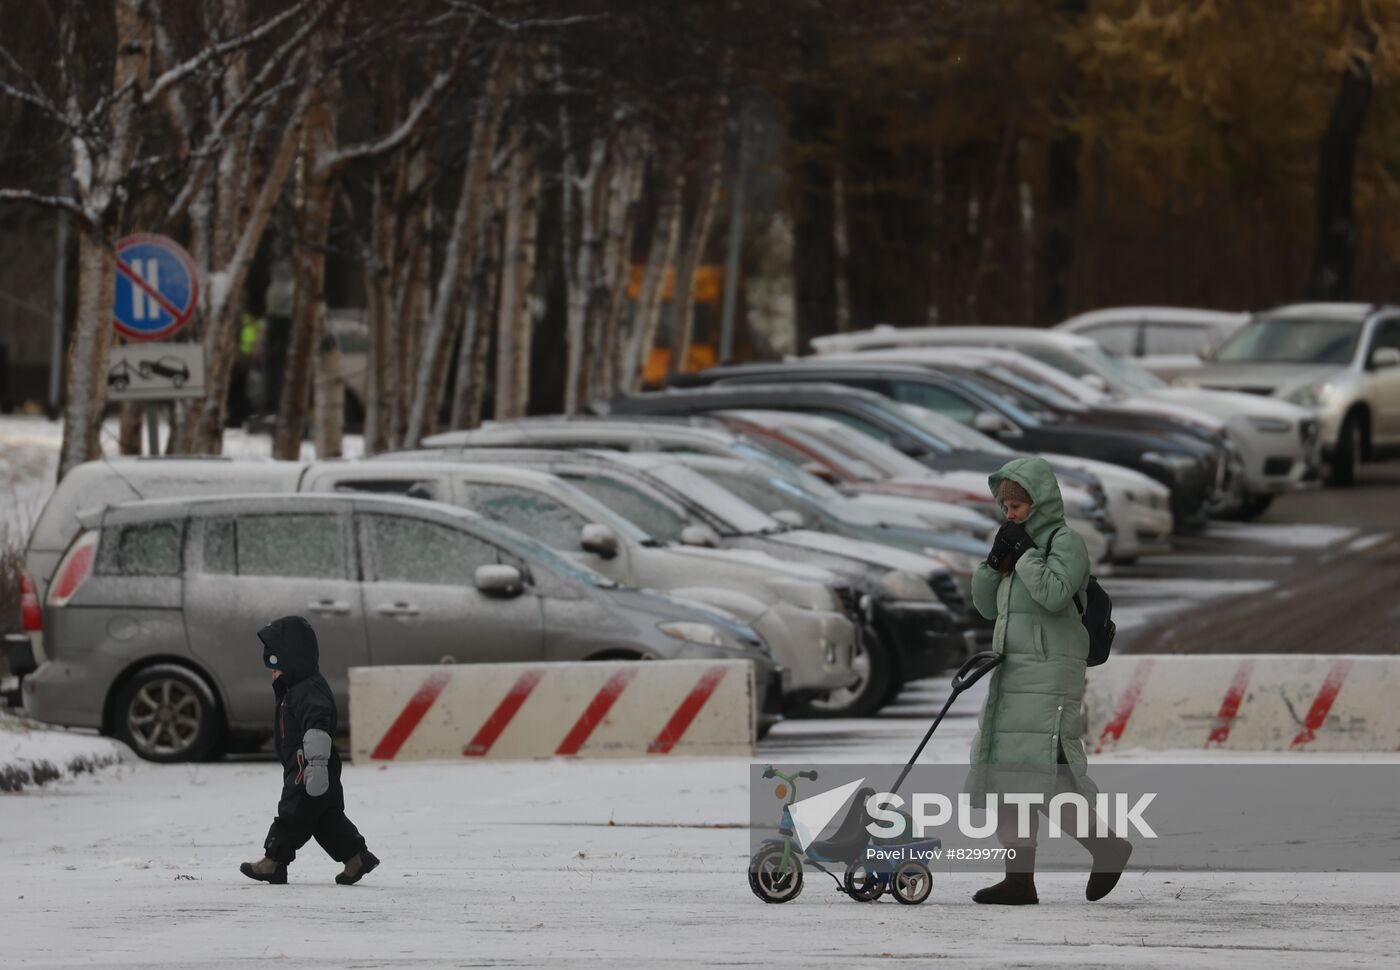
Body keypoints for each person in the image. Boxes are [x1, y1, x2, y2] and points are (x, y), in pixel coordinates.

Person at [967, 457, 1131, 905]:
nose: (1011, 513)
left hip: (1051, 673)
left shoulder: (1066, 542)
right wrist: (993, 562)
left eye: (1018, 505)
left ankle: (1107, 846)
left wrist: (1023, 556)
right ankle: (1018, 879)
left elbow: (1055, 595)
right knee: (1006, 772)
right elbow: (985, 606)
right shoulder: (1015, 542)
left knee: (1048, 771)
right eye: (1005, 506)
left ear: (1039, 501)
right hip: (1013, 672)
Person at [240, 616, 380, 886]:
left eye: (275, 664)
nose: (272, 672)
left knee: (292, 814)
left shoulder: (307, 691)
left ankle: (274, 862)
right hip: (311, 766)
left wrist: (315, 768)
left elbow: (317, 730)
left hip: (308, 768)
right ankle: (356, 858)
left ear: (291, 658)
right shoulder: (295, 689)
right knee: (325, 819)